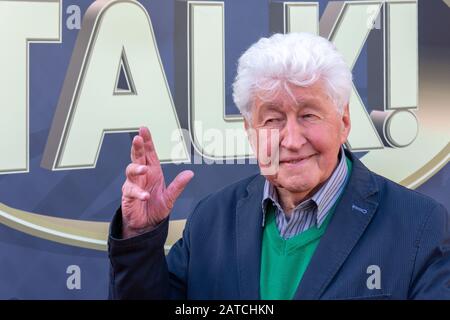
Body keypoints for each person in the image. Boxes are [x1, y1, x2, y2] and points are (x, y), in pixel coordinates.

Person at [108, 33, 450, 299]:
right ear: (249, 130)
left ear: (343, 120)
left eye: (308, 115)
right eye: (272, 119)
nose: (291, 139)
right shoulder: (210, 220)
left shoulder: (419, 225)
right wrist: (138, 238)